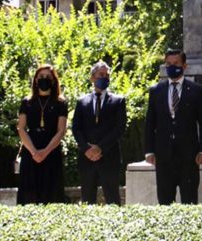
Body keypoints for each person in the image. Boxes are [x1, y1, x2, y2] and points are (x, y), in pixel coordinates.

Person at [143, 48, 202, 204]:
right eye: (169, 64)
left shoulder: (196, 90)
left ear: (185, 65)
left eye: (176, 63)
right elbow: (150, 123)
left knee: (190, 201)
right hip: (164, 156)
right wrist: (149, 150)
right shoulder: (156, 91)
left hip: (189, 156)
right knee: (165, 202)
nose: (172, 67)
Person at [71, 60, 126, 205]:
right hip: (86, 158)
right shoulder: (82, 101)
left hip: (109, 156)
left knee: (113, 199)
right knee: (87, 200)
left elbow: (119, 128)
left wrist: (100, 147)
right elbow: (76, 128)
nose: (104, 78)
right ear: (92, 78)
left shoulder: (118, 101)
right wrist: (86, 148)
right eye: (101, 74)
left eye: (107, 75)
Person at [16, 64, 68, 204]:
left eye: (48, 77)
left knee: (51, 194)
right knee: (29, 195)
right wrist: (34, 152)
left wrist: (45, 152)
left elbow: (61, 130)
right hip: (30, 148)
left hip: (51, 149)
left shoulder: (60, 103)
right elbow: (21, 128)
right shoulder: (27, 102)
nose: (44, 79)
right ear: (35, 80)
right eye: (41, 77)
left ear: (53, 80)